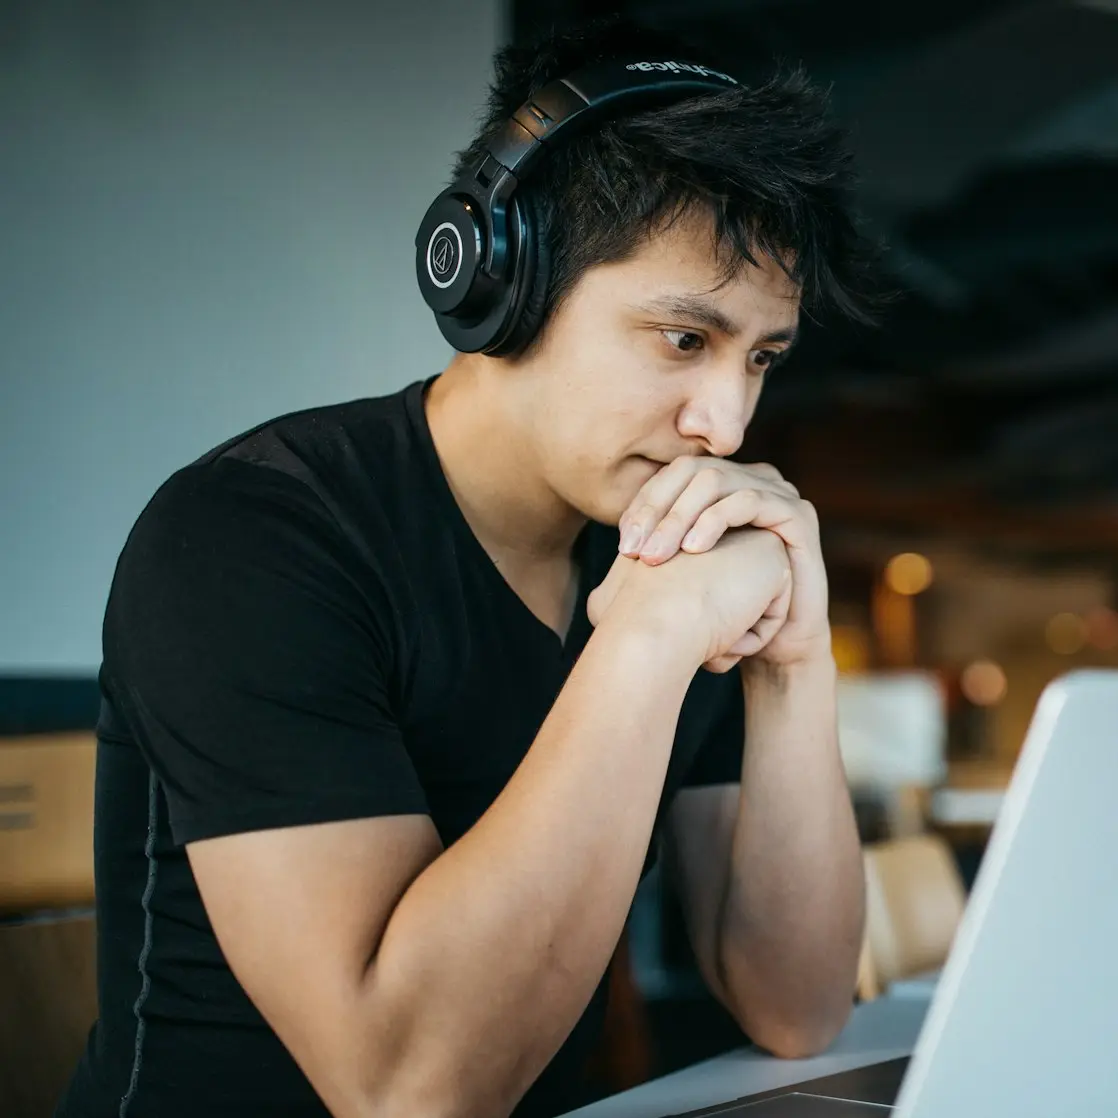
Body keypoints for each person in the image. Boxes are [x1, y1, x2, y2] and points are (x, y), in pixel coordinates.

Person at [57, 17, 877, 1118]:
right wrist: (640, 642)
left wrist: (792, 660)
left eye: (761, 357)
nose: (724, 422)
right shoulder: (250, 537)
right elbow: (407, 1088)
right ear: (503, 281)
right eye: (684, 339)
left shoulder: (670, 550)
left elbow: (797, 1004)